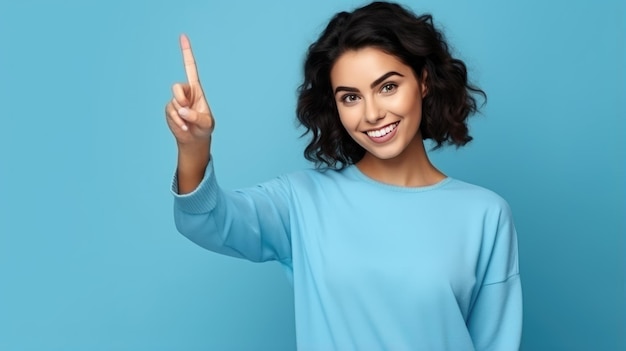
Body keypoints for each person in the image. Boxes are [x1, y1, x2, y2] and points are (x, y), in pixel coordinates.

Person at [164, 1, 522, 350]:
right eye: (350, 97)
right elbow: (207, 221)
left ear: (423, 82)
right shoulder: (302, 201)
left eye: (388, 87)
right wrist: (195, 145)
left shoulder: (485, 214)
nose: (372, 114)